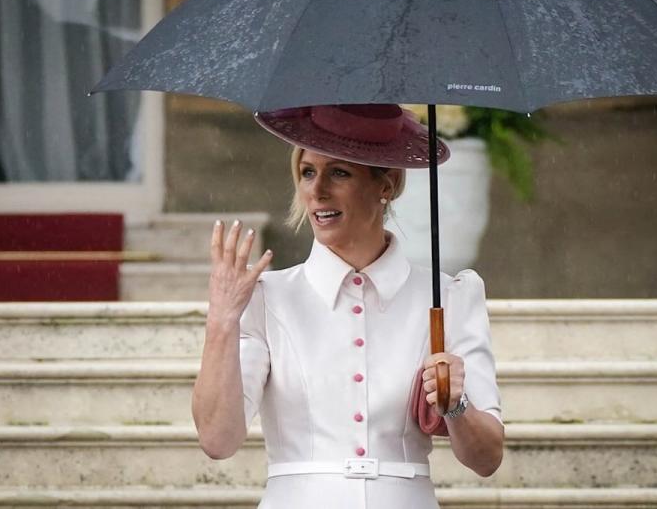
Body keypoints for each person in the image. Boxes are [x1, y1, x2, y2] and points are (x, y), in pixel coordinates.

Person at [192, 104, 504, 508]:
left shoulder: (449, 297)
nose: (316, 190)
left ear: (386, 184)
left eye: (338, 172)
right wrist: (221, 321)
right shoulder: (266, 297)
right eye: (307, 171)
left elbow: (487, 459)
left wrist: (456, 406)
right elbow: (218, 440)